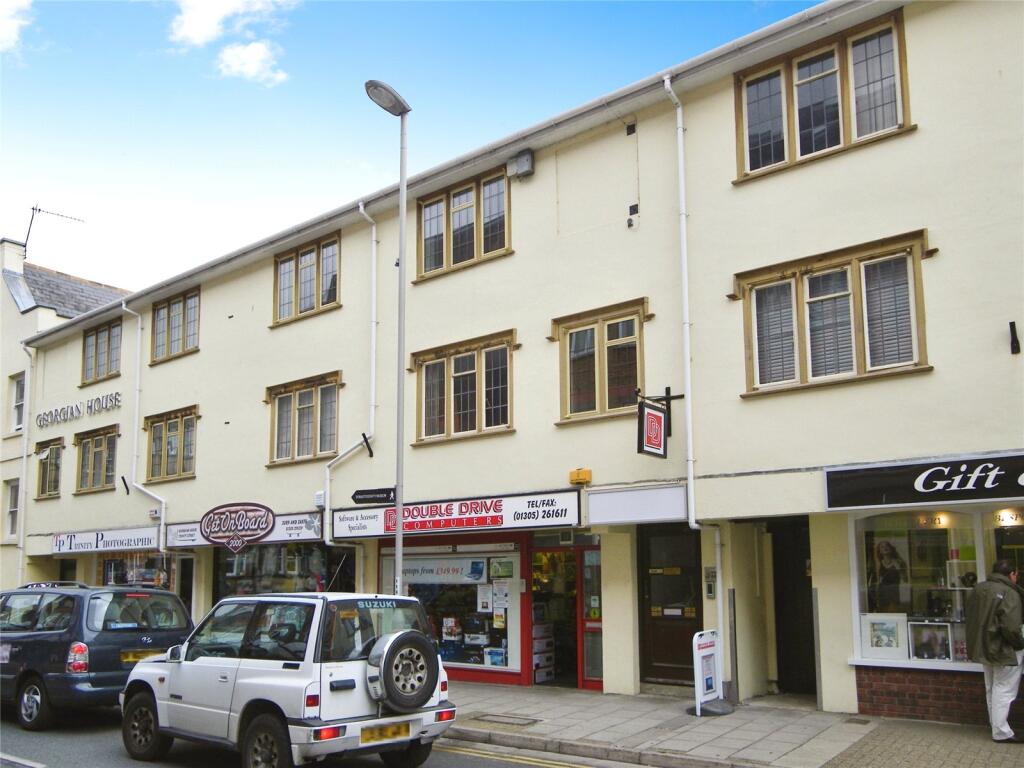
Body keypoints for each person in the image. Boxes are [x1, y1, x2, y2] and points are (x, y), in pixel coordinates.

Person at [965, 559, 1024, 744]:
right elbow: (1012, 627)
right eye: (1017, 574)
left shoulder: (978, 589)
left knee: (991, 687)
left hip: (983, 646)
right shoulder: (1010, 593)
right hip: (1004, 648)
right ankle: (1001, 731)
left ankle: (996, 725)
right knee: (1004, 689)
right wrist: (1020, 643)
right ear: (1012, 574)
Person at [871, 540, 908, 611]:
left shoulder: (899, 562)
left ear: (891, 548)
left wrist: (898, 568)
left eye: (887, 545)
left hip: (894, 593)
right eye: (882, 547)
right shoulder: (879, 564)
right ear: (879, 551)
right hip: (882, 594)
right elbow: (878, 581)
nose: (885, 548)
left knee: (893, 612)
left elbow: (905, 580)